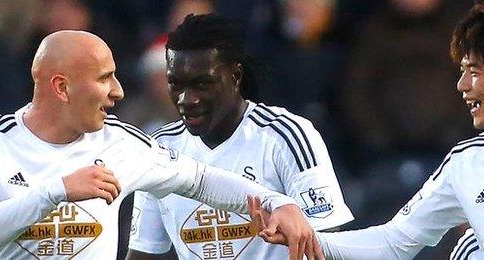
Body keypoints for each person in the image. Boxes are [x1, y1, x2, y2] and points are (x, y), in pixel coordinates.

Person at [0, 30, 320, 260]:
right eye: (104, 78)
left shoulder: (122, 142)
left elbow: (201, 180)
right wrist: (55, 191)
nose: (117, 91)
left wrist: (278, 203)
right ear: (61, 87)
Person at [248, 2, 484, 259]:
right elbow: (393, 241)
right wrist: (306, 237)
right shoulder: (464, 165)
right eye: (462, 71)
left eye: (475, 73)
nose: (462, 86)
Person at [126, 14, 353, 260]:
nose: (186, 99)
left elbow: (327, 238)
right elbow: (144, 252)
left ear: (235, 76)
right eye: (176, 84)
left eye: (202, 84)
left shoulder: (286, 135)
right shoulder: (160, 149)